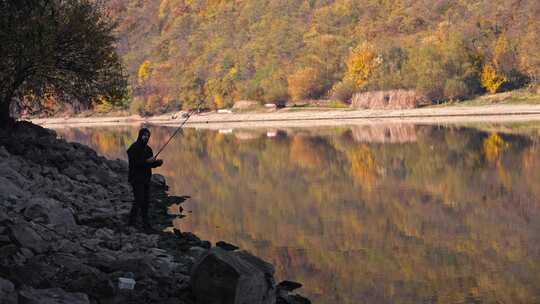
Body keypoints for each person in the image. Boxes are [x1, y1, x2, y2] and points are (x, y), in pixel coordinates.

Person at [126, 128, 163, 229]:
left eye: (147, 136)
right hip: (136, 178)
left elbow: (149, 164)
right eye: (144, 135)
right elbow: (135, 163)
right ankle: (131, 223)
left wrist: (157, 163)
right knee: (138, 199)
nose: (146, 137)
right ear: (140, 135)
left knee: (146, 201)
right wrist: (147, 161)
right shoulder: (133, 148)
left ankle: (145, 223)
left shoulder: (149, 149)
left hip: (146, 179)